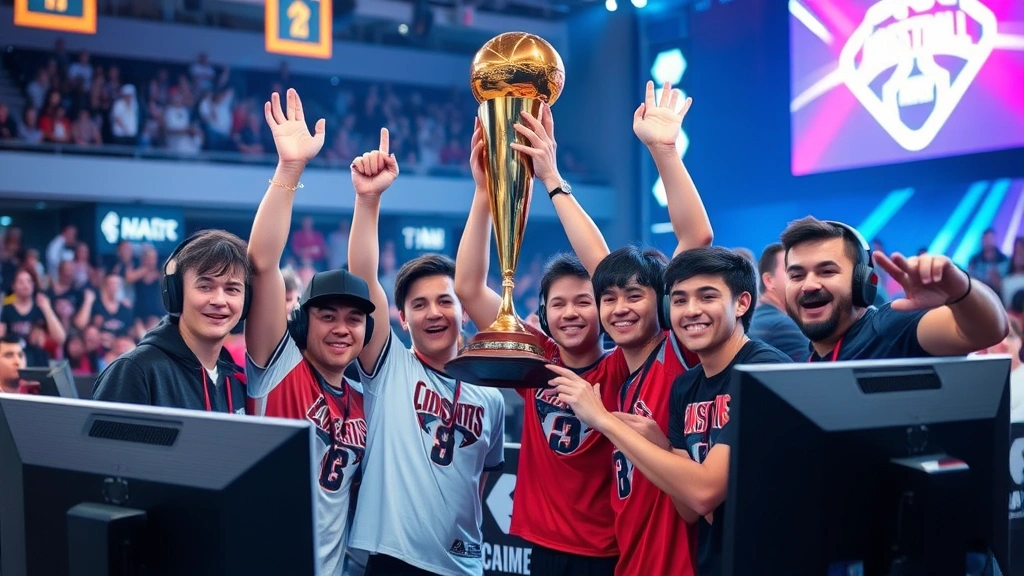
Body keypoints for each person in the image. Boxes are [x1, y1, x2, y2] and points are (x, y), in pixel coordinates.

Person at [517, 81, 710, 576]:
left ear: (663, 304)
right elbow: (601, 267)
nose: (619, 308)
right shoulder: (618, 373)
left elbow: (696, 236)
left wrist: (664, 151)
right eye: (609, 298)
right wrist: (551, 179)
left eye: (635, 296)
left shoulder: (675, 352)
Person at [453, 119, 628, 574]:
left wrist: (551, 178)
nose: (570, 313)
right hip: (542, 549)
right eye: (559, 304)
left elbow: (609, 270)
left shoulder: (623, 369)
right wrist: (482, 194)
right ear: (544, 313)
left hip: (607, 552)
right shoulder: (536, 361)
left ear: (605, 306)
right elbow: (469, 287)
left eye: (584, 301)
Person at [552, 246, 790, 576]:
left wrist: (603, 420)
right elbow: (689, 508)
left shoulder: (764, 370)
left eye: (707, 297)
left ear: (742, 302)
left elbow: (704, 492)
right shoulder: (686, 387)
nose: (691, 310)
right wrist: (661, 447)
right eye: (679, 300)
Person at [346, 128, 505, 576]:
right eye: (419, 304)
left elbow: (479, 484)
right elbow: (363, 277)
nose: (433, 313)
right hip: (392, 560)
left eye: (445, 301)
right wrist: (368, 200)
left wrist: (485, 193)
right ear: (401, 318)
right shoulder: (388, 367)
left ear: (464, 311)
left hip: (464, 566)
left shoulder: (490, 396)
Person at [245, 88, 374, 576]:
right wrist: (289, 171)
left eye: (353, 319)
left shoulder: (365, 399)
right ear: (302, 320)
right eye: (327, 315)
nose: (342, 329)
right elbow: (262, 265)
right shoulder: (278, 368)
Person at [780, 217, 1008, 361]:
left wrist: (960, 290)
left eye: (827, 271)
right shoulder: (810, 360)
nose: (809, 285)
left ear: (862, 281)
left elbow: (987, 331)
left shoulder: (889, 327)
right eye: (796, 275)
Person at [92, 229, 251, 413]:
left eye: (232, 289)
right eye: (205, 286)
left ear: (245, 301)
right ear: (176, 293)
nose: (219, 301)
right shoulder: (135, 372)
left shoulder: (236, 380)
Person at [748, 243, 810, 360]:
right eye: (792, 270)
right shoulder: (783, 325)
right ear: (769, 280)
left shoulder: (756, 319)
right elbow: (814, 375)